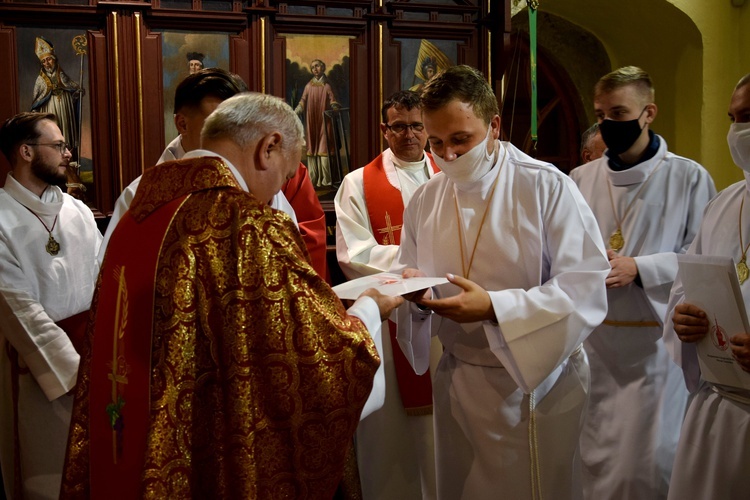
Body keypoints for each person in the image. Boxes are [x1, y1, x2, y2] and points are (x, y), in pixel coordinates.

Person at [60, 92, 403, 498]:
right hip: (212, 441)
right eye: (286, 172)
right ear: (269, 147)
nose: (277, 189)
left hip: (132, 428)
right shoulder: (246, 223)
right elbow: (314, 358)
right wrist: (369, 307)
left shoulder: (140, 207)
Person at [391, 65, 610, 499]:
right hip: (457, 378)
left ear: (493, 126)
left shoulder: (547, 186)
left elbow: (585, 288)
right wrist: (414, 295)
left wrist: (495, 307)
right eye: (436, 142)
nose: (447, 156)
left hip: (534, 385)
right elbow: (410, 270)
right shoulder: (426, 198)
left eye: (460, 140)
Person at [570, 66, 716, 500]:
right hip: (594, 348)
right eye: (600, 114)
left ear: (648, 112)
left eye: (619, 112)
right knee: (591, 468)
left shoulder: (689, 178)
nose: (607, 124)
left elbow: (705, 258)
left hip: (657, 351)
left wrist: (642, 268)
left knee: (648, 470)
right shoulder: (580, 180)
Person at [99, 68, 327, 279]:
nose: (230, 134)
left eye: (237, 123)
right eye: (218, 121)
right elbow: (112, 278)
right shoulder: (139, 196)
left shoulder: (267, 195)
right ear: (182, 124)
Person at [335, 90, 440, 499]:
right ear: (385, 130)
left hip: (443, 315)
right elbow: (353, 252)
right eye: (399, 126)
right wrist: (415, 267)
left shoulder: (449, 175)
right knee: (393, 433)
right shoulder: (358, 183)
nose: (410, 134)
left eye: (417, 125)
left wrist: (433, 267)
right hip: (391, 313)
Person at [0, 112, 101, 499]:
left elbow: (103, 279)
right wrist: (75, 371)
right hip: (40, 368)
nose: (68, 153)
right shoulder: (3, 219)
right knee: (45, 475)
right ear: (26, 152)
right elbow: (18, 308)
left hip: (91, 358)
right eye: (57, 146)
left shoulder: (75, 210)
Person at [664, 73, 750, 500]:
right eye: (733, 118)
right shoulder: (724, 205)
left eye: (748, 117)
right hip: (717, 408)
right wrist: (681, 318)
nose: (737, 132)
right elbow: (685, 288)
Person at [30, 37, 84, 156]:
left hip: (65, 107)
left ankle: (68, 155)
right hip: (49, 108)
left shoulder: (62, 75)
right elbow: (36, 100)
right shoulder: (40, 80)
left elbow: (72, 87)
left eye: (48, 59)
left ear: (54, 59)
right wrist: (35, 110)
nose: (47, 63)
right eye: (43, 61)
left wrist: (77, 92)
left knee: (66, 131)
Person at [295, 59, 340, 188]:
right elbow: (303, 101)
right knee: (313, 148)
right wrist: (295, 111)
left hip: (325, 122)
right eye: (312, 67)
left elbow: (333, 100)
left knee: (324, 148)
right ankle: (313, 179)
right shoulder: (309, 86)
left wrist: (335, 107)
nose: (315, 69)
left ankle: (326, 180)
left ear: (323, 68)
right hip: (312, 121)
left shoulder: (327, 86)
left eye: (317, 66)